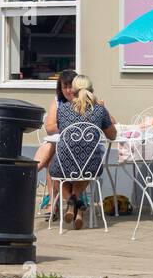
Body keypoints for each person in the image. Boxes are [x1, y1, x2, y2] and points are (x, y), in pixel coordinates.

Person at [47, 74, 117, 229]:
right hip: (90, 165)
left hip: (65, 163)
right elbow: (112, 135)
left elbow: (58, 128)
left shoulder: (63, 109)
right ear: (91, 89)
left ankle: (71, 202)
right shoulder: (99, 109)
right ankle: (78, 203)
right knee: (86, 167)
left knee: (55, 173)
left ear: (74, 90)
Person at [34, 70, 75, 215]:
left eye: (71, 86)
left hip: (78, 150)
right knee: (52, 158)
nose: (68, 90)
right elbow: (49, 127)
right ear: (60, 88)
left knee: (51, 155)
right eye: (65, 87)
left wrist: (63, 124)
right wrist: (69, 124)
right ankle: (55, 203)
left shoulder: (84, 101)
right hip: (60, 147)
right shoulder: (58, 100)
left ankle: (30, 172)